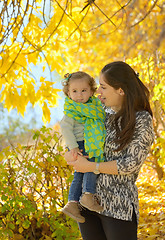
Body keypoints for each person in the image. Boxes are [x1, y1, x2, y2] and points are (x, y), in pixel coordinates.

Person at [64, 61, 154, 240]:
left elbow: (130, 164)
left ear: (120, 90)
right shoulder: (99, 111)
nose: (98, 92)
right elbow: (75, 133)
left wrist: (91, 166)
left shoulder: (141, 120)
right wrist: (69, 151)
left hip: (117, 205)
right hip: (86, 203)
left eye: (103, 87)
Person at [60, 71, 106, 224]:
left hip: (87, 142)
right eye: (74, 91)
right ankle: (87, 195)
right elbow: (65, 129)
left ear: (92, 91)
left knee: (79, 174)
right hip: (80, 144)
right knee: (90, 166)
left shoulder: (94, 106)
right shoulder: (72, 110)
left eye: (84, 91)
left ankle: (72, 203)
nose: (79, 95)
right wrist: (72, 148)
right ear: (68, 92)